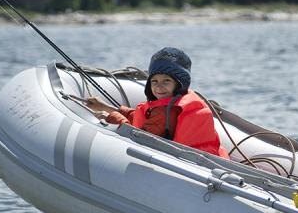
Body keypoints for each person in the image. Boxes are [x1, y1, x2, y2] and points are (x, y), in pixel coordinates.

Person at [86, 47, 229, 159]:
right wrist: (108, 108)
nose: (159, 86)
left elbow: (140, 138)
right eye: (154, 81)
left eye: (166, 81)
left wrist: (111, 117)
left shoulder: (165, 113)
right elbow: (141, 118)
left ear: (179, 83)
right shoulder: (174, 104)